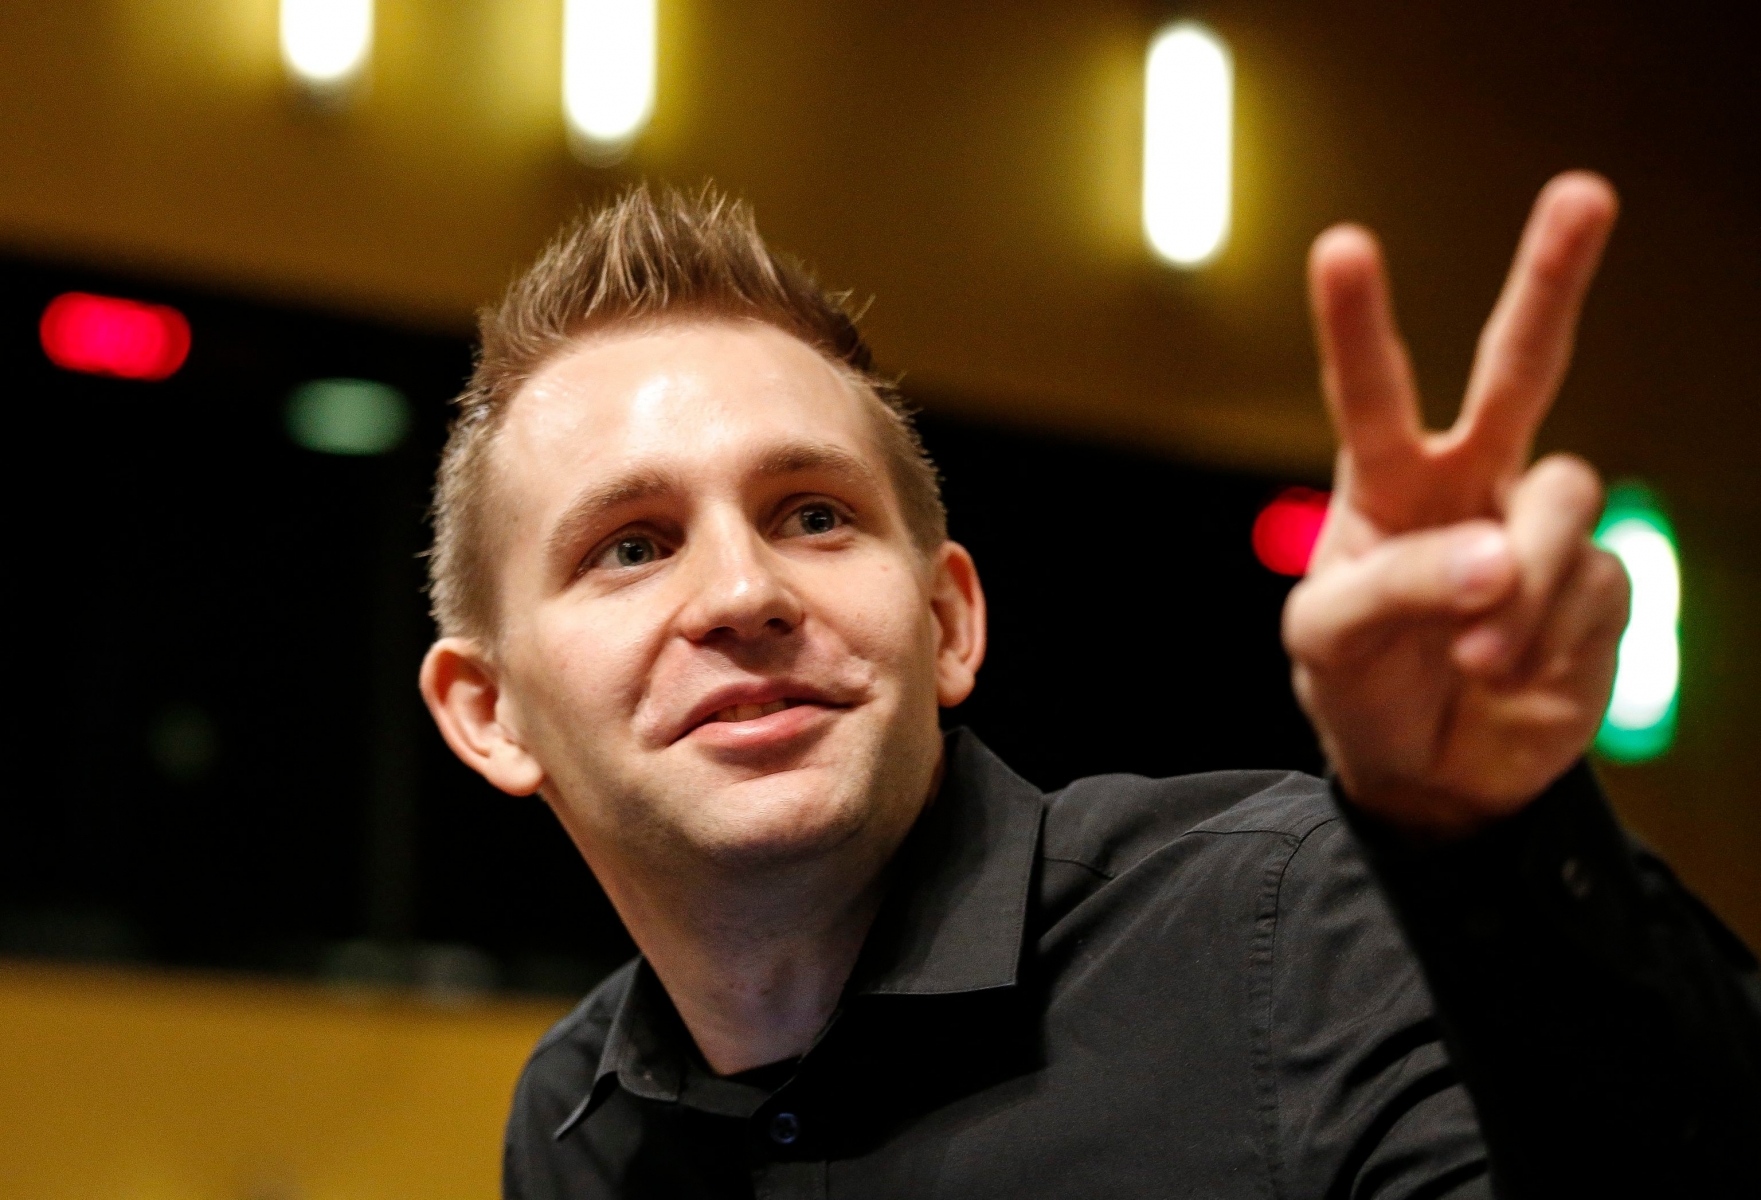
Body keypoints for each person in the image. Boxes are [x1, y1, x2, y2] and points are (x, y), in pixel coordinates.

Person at [417, 177, 1760, 1198]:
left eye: (813, 514)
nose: (741, 592)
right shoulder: (579, 1126)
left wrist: (1493, 851)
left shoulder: (1296, 925)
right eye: (630, 546)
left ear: (948, 621)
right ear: (489, 713)